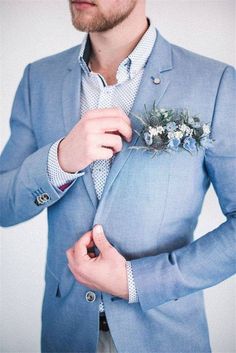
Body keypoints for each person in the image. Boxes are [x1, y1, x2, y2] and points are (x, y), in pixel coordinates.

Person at [0, 0, 235, 352]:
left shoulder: (215, 83)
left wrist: (135, 281)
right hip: (65, 336)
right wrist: (60, 160)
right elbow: (4, 206)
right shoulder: (39, 78)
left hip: (165, 336)